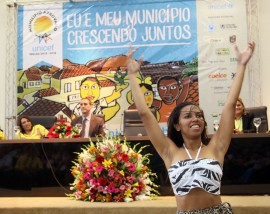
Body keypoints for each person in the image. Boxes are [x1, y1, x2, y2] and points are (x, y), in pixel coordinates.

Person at [127, 42, 255, 213]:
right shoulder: (169, 151)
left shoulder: (216, 147)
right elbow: (144, 113)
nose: (196, 119)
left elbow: (230, 105)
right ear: (177, 125)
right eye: (188, 116)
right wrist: (132, 75)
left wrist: (241, 65)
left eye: (199, 115)